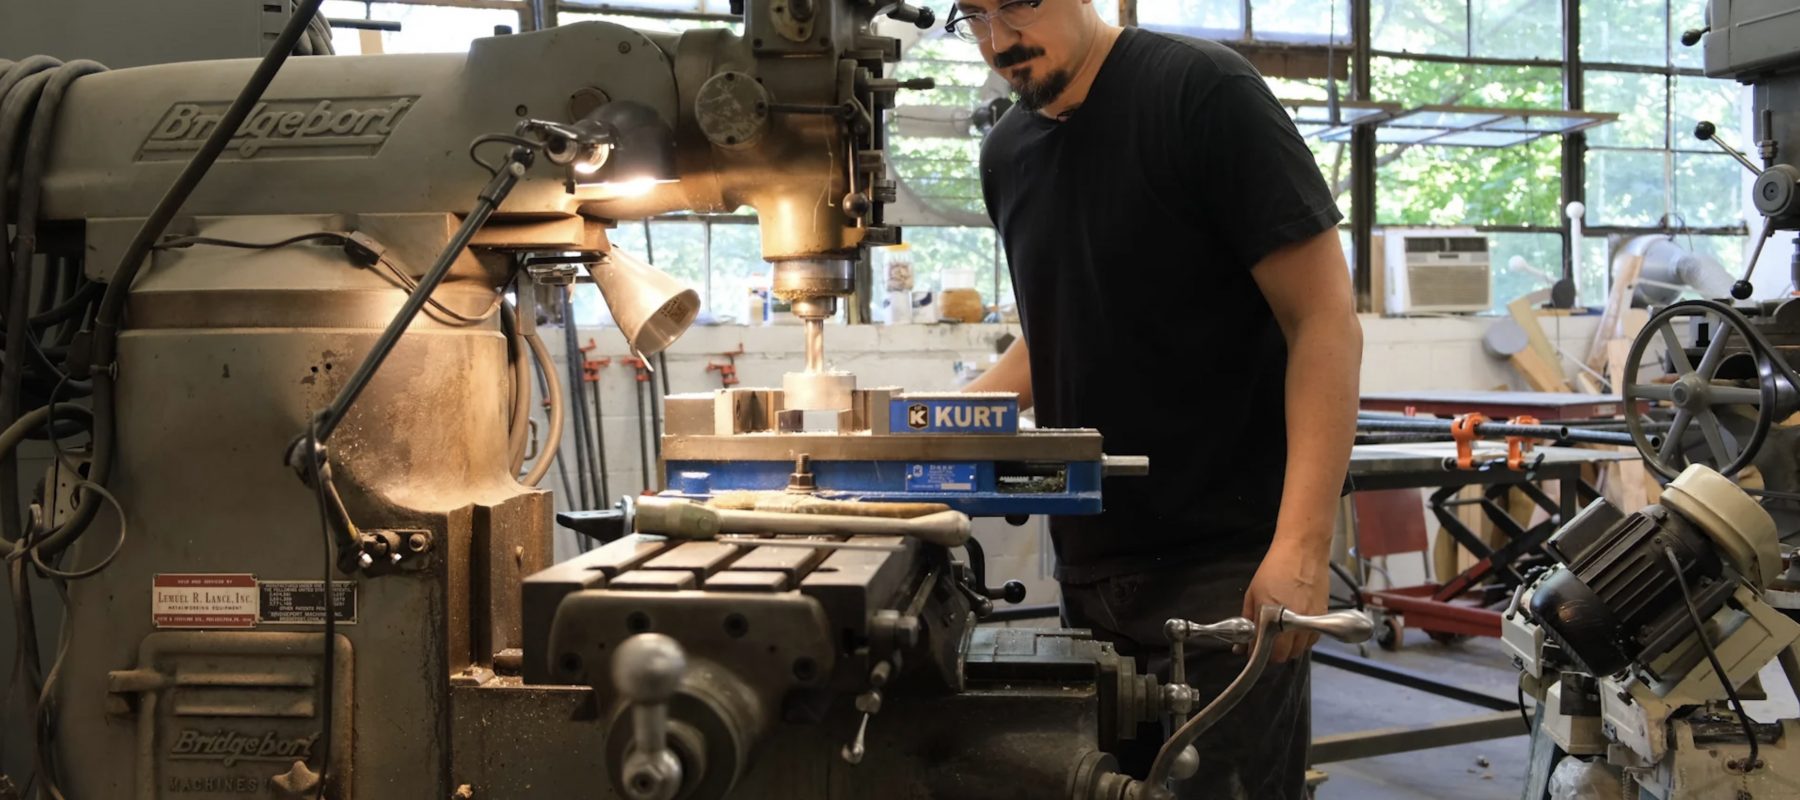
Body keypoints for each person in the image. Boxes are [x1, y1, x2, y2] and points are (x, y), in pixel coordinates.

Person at [952, 0, 1363, 796]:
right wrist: (929, 424)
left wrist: (1303, 546)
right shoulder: (1008, 150)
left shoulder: (1201, 94)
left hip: (1227, 567)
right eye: (973, 17)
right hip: (1091, 566)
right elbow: (1063, 321)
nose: (999, 43)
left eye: (1015, 6)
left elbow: (1323, 321)